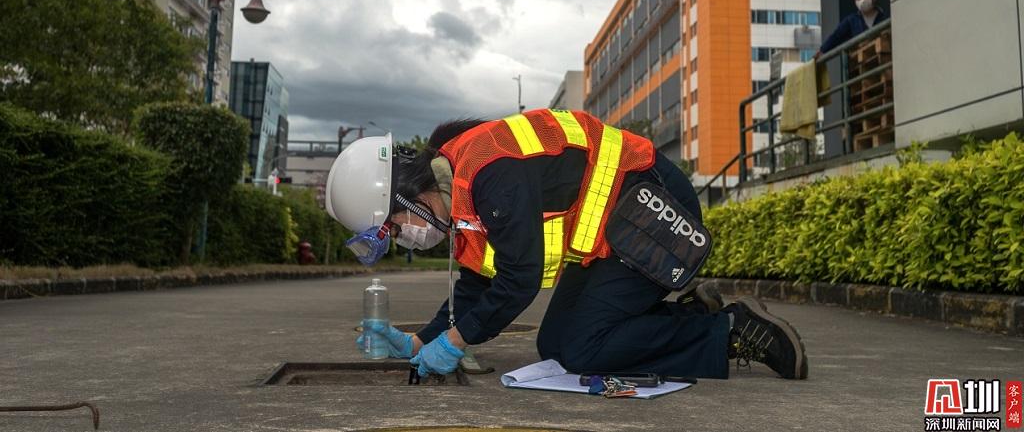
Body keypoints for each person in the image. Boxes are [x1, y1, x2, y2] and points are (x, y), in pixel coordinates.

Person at [326, 109, 808, 381]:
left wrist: (455, 341)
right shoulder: (461, 189)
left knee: (583, 350)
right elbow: (477, 283)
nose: (405, 236)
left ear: (406, 194)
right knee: (555, 345)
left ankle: (730, 331)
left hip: (653, 215)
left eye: (395, 226)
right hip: (610, 240)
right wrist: (418, 341)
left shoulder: (490, 174)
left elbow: (519, 280)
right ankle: (695, 313)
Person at [815, 0, 888, 59]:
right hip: (862, 60)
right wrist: (822, 50)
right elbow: (836, 36)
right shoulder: (851, 20)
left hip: (883, 56)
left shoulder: (884, 16)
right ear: (855, 2)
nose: (863, 0)